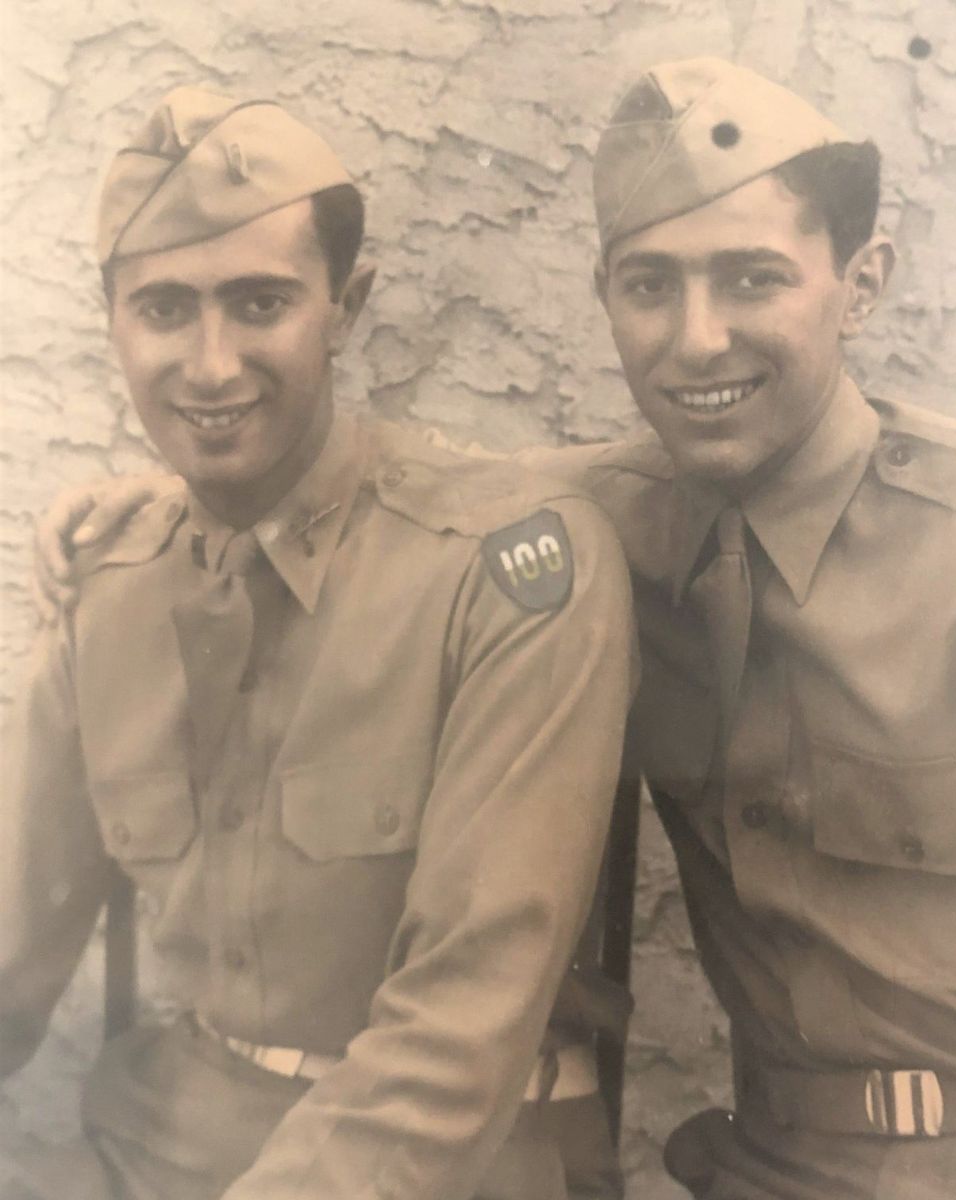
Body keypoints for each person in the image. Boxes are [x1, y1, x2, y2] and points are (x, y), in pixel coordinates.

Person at [32, 59, 956, 1199]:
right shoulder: (596, 524)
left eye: (752, 279)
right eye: (651, 286)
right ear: (604, 296)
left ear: (862, 282)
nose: (697, 339)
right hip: (769, 1166)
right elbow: (367, 498)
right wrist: (177, 499)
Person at [1, 87, 636, 1200]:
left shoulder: (498, 575)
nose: (210, 365)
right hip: (158, 1146)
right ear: (111, 319)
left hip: (445, 1166)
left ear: (345, 306)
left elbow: (461, 1026)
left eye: (260, 304)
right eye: (163, 309)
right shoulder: (111, 587)